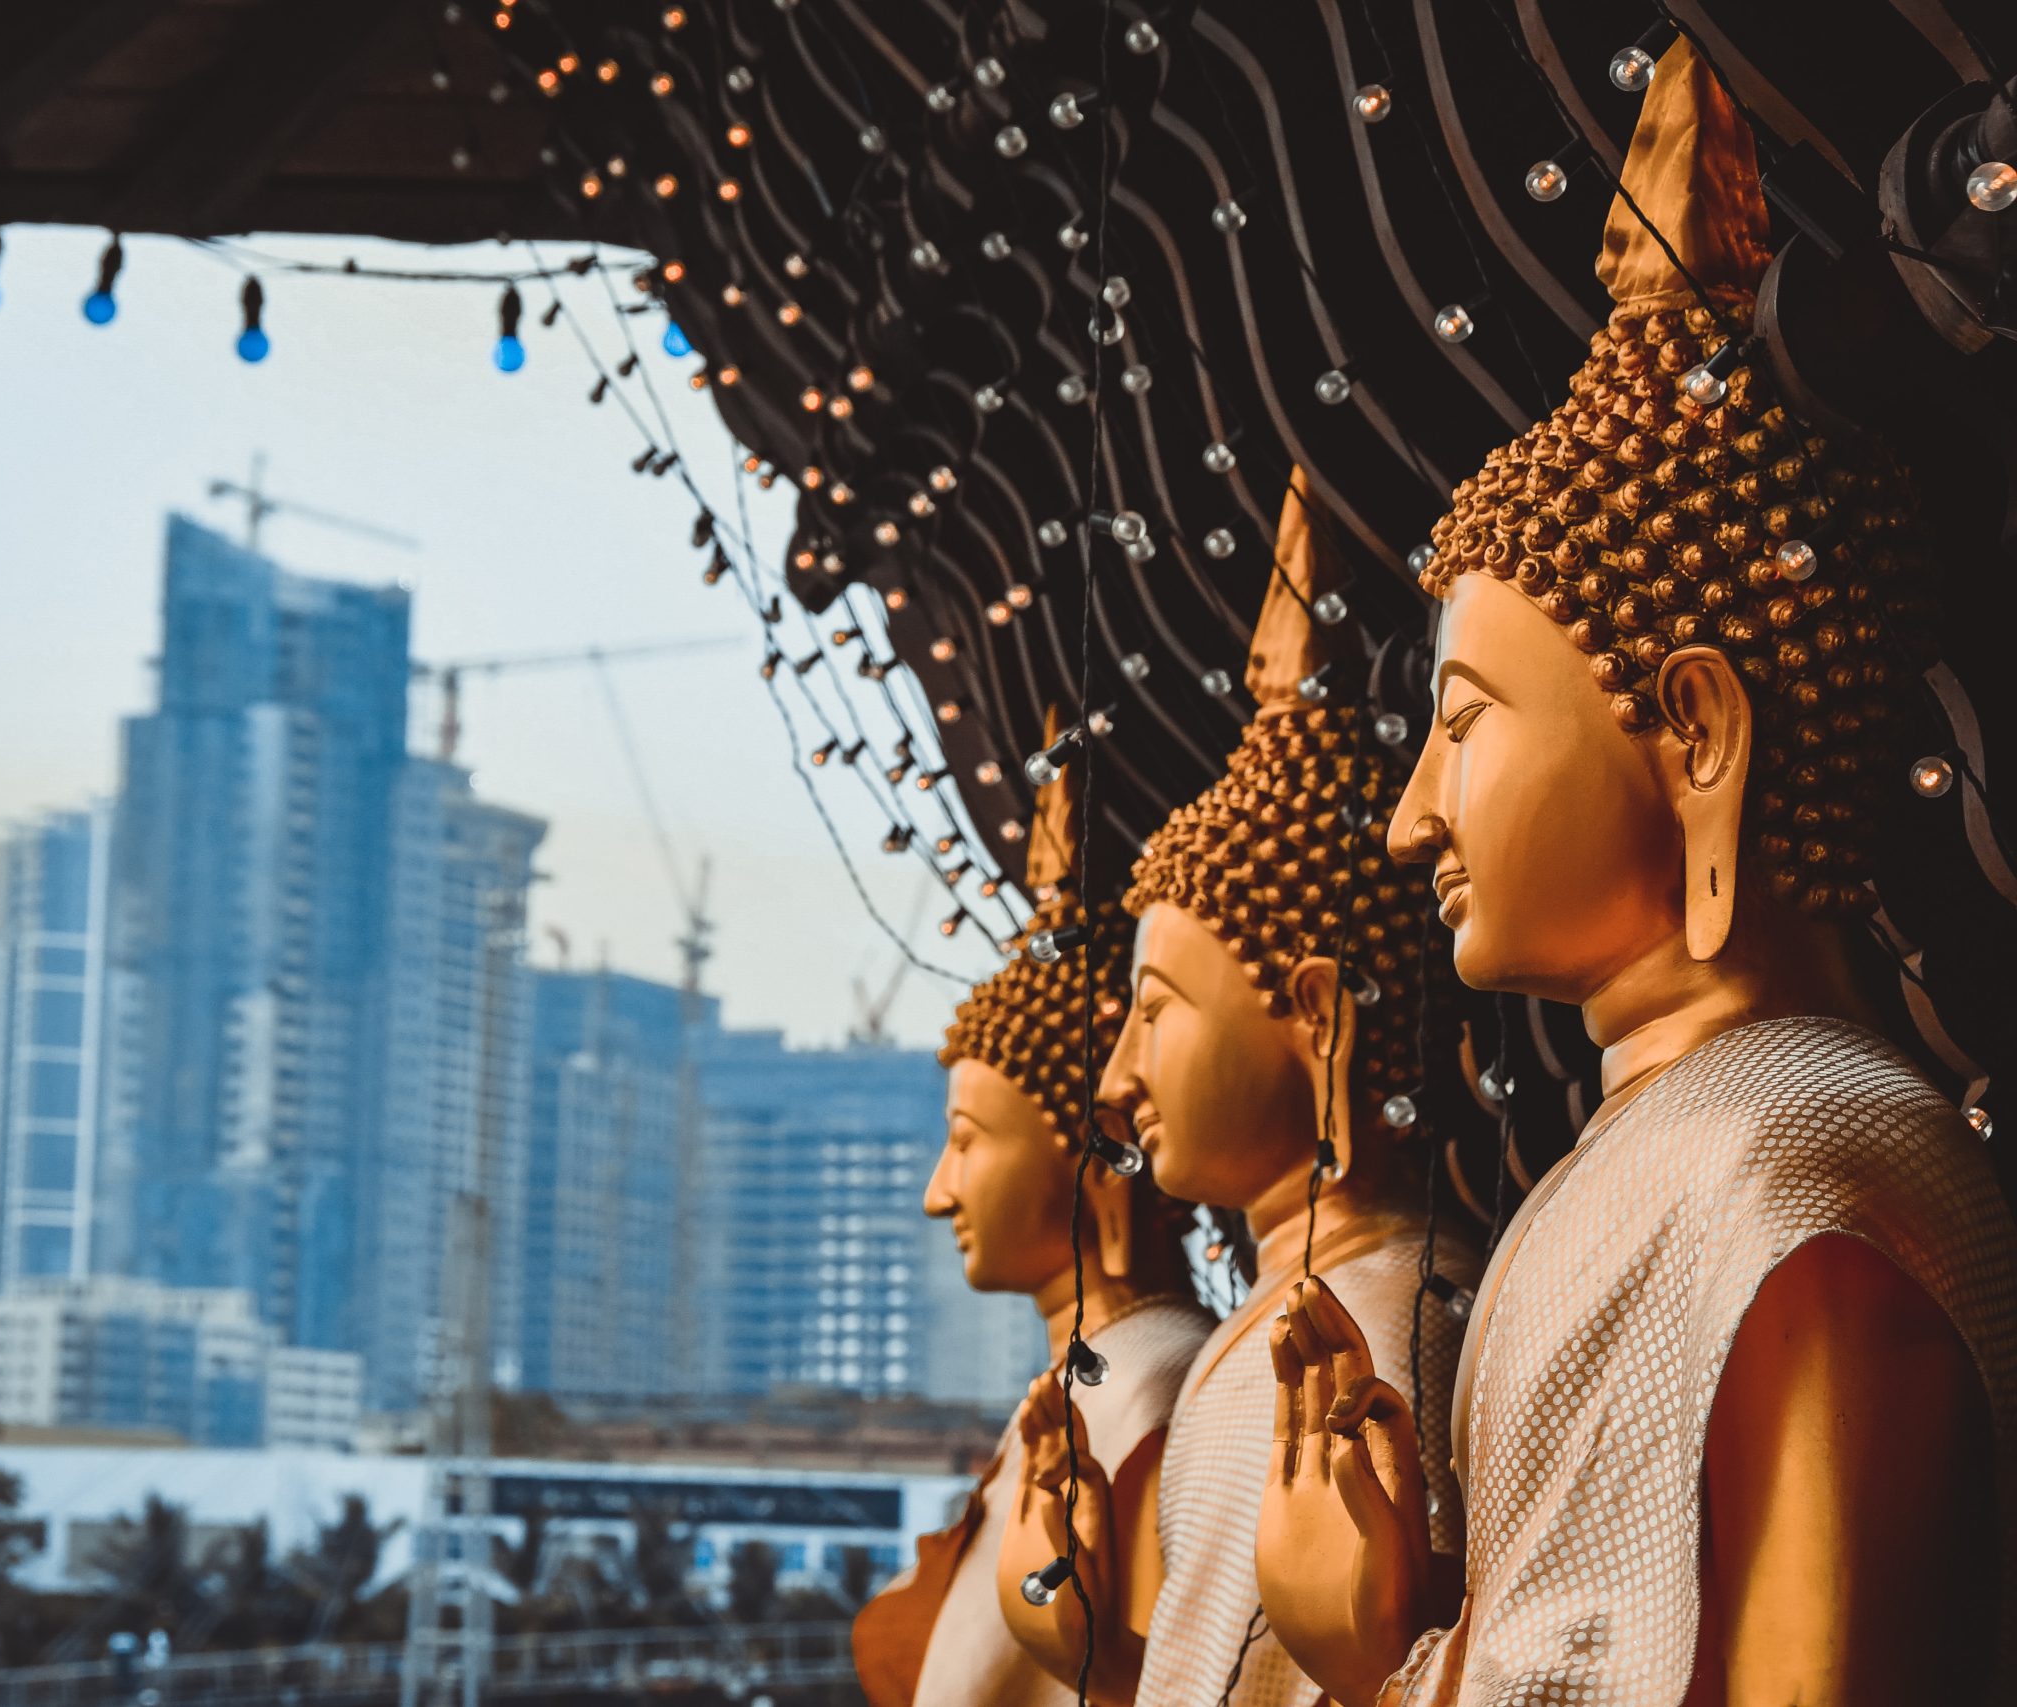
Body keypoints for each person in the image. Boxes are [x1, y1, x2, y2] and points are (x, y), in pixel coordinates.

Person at [1253, 44, 2017, 1707]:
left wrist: (1367, 1665)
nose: (1409, 817)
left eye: (1463, 727)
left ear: (1695, 732)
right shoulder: (1668, 1165)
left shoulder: (1802, 1188)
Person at [1013, 478, 1482, 1707]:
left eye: (1154, 1013)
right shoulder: (1269, 1330)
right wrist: (1084, 1648)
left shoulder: (1379, 1330)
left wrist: (1371, 1660)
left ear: (1316, 1016)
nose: (1116, 1083)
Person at [854, 739, 1215, 1707]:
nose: (939, 1190)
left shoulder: (1154, 1389)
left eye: (967, 1141)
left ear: (1098, 1157)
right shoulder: (1081, 1388)